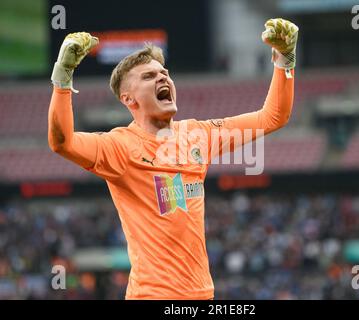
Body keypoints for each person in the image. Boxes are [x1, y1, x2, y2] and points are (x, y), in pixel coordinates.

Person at [48, 18, 298, 300]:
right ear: (128, 99)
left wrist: (285, 59)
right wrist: (63, 76)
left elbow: (273, 117)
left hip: (202, 295)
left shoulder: (197, 135)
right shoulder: (119, 147)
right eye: (148, 76)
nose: (163, 78)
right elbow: (62, 142)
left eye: (164, 72)